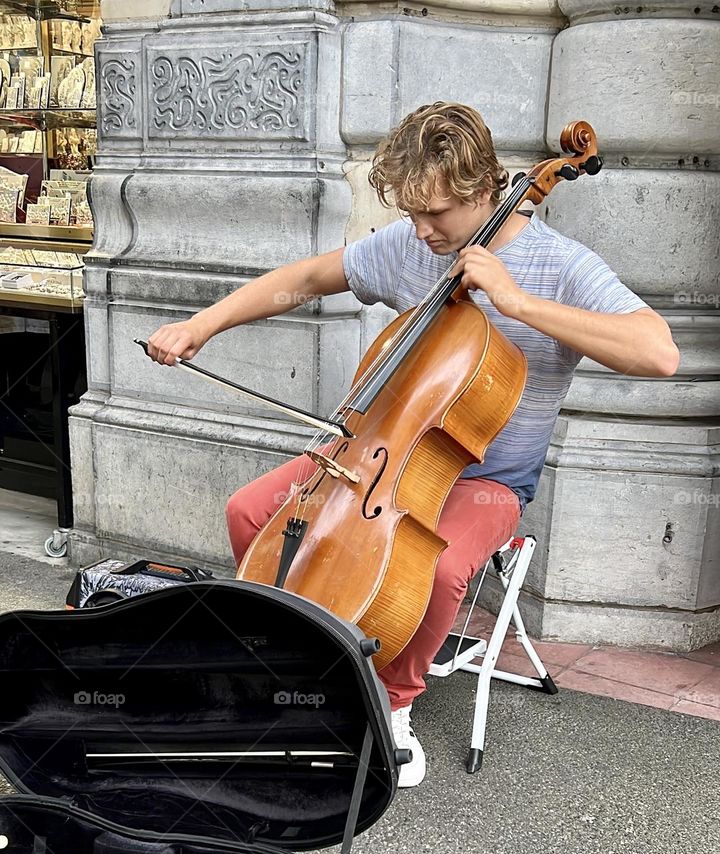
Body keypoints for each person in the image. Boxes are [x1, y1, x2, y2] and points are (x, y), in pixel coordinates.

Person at [146, 101, 680, 788]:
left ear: (486, 191)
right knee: (254, 515)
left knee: (438, 568)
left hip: (486, 477)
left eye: (437, 216)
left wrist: (516, 304)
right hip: (377, 455)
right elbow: (305, 279)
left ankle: (390, 703)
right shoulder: (407, 244)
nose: (421, 232)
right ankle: (305, 668)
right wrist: (204, 324)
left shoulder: (559, 264)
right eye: (411, 213)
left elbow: (658, 353)